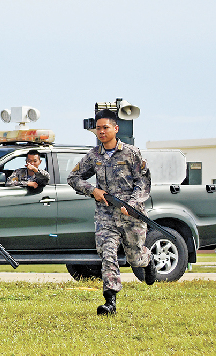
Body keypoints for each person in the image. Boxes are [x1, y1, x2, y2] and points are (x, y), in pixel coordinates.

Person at [67, 108, 156, 316]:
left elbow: (143, 180)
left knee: (135, 258)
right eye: (98, 128)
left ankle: (148, 260)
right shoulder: (93, 156)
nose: (101, 132)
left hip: (130, 215)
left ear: (115, 129)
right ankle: (110, 301)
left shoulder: (131, 153)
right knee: (107, 255)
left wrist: (132, 203)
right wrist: (93, 190)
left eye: (105, 127)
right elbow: (73, 178)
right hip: (105, 215)